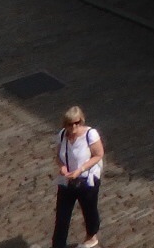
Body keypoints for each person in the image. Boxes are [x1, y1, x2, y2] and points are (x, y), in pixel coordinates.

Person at [52, 105, 104, 248]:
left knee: (89, 210)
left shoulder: (90, 135)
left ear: (82, 121)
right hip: (67, 181)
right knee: (62, 216)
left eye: (77, 122)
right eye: (70, 124)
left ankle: (92, 235)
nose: (74, 126)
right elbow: (58, 156)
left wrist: (80, 170)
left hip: (87, 180)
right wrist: (62, 167)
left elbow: (99, 154)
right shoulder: (62, 135)